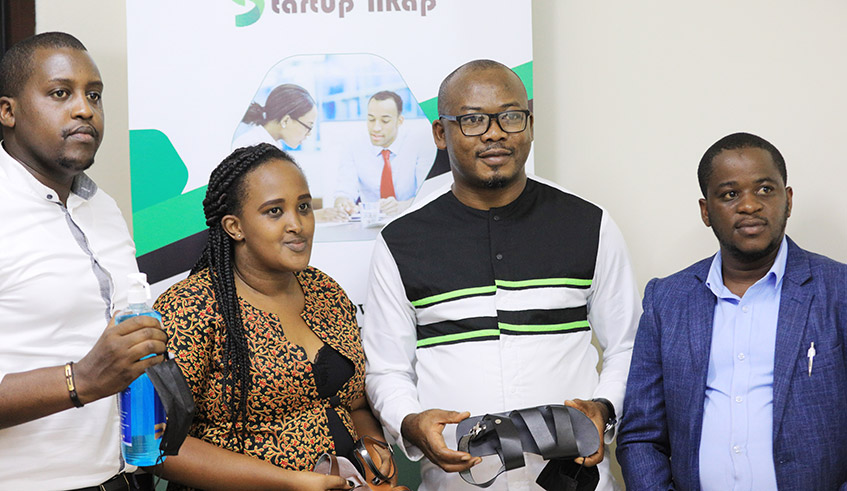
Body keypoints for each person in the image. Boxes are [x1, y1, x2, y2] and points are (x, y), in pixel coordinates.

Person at [362, 59, 640, 490]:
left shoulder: (588, 224)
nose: (494, 132)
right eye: (473, 120)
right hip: (457, 482)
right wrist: (411, 424)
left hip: (573, 479)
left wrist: (604, 409)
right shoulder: (402, 241)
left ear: (529, 123)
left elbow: (628, 346)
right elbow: (386, 370)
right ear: (441, 133)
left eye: (510, 116)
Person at [152, 143, 397, 490]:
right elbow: (157, 444)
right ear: (235, 227)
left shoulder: (325, 291)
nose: (297, 224)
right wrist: (289, 483)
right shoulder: (192, 307)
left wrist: (375, 455)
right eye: (274, 212)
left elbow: (354, 402)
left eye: (303, 207)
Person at [616, 132, 847, 490]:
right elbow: (641, 435)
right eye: (730, 194)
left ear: (788, 200)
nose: (750, 205)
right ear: (706, 211)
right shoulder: (667, 300)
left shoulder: (839, 290)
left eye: (765, 190)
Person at [0, 32, 167, 489]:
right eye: (61, 93)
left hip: (123, 476)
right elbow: (90, 374)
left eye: (94, 95)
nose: (84, 109)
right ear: (7, 111)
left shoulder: (103, 208)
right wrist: (80, 380)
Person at [333, 90, 435, 217]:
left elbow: (428, 195)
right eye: (371, 119)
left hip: (412, 217)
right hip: (371, 222)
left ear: (400, 121)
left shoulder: (420, 144)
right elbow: (344, 190)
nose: (376, 128)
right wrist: (343, 203)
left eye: (385, 121)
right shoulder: (354, 145)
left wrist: (401, 206)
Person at [232, 83, 317, 151]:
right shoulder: (252, 147)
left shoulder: (272, 144)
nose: (309, 134)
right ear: (285, 121)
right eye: (308, 126)